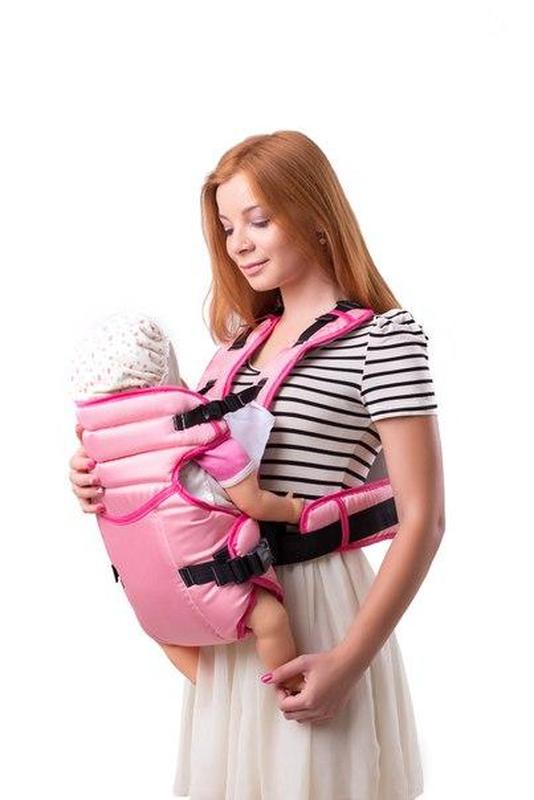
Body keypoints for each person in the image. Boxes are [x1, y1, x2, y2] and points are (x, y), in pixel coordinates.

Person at [69, 130, 445, 800]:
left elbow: (425, 518)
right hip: (233, 600)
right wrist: (93, 477)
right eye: (226, 227)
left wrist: (349, 660)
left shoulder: (384, 339)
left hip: (323, 613)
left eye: (259, 220)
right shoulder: (233, 351)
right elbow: (190, 477)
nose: (238, 243)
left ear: (316, 215)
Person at [69, 310, 306, 693]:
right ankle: (290, 687)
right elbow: (255, 503)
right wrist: (293, 509)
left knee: (168, 637)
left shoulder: (99, 454)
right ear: (169, 379)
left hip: (153, 606)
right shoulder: (203, 437)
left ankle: (216, 700)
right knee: (271, 620)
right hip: (218, 588)